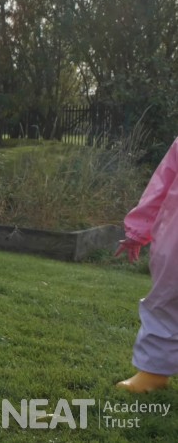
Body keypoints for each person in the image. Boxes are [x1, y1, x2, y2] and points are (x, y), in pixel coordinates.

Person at [114, 137, 178, 393]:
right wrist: (139, 229)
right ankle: (153, 373)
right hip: (175, 241)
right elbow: (160, 185)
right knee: (164, 303)